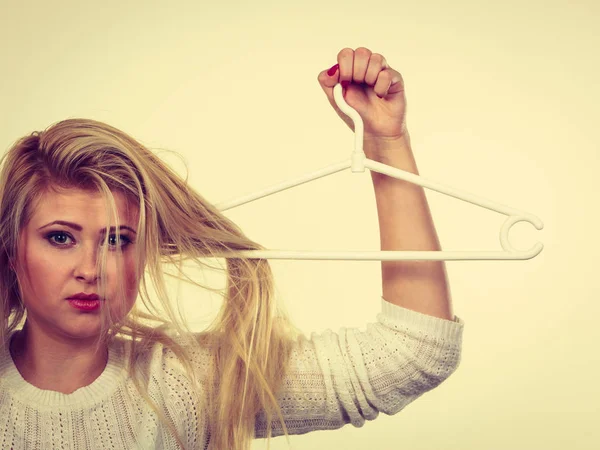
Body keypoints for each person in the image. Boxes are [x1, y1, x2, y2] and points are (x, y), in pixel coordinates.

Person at [0, 47, 464, 450]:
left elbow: (411, 354)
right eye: (60, 237)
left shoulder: (191, 381)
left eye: (118, 240)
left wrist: (386, 144)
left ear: (143, 253)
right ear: (12, 246)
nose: (90, 268)